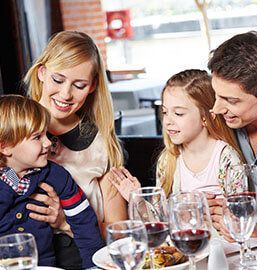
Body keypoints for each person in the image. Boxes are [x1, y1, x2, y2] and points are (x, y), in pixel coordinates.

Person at [23, 31, 127, 268]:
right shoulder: (13, 128)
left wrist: (64, 221)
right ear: (41, 73)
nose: (66, 94)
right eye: (58, 80)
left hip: (85, 260)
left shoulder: (101, 144)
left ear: (92, 86)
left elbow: (120, 234)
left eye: (79, 85)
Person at [0, 95, 105, 268]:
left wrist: (94, 266)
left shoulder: (57, 175)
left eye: (45, 134)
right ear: (5, 147)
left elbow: (84, 223)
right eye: (37, 137)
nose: (48, 142)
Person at [109, 69, 244, 201]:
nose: (167, 121)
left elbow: (241, 213)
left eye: (178, 113)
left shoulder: (226, 159)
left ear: (206, 117)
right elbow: (159, 217)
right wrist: (137, 200)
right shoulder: (168, 160)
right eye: (165, 112)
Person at [206, 31, 257, 237]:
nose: (216, 108)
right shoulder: (221, 126)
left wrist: (255, 228)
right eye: (216, 95)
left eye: (231, 101)